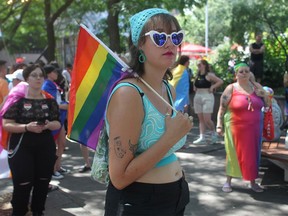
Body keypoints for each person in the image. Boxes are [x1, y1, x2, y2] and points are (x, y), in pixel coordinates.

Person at [104, 8, 193, 216]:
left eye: (175, 36)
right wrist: (170, 137)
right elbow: (119, 177)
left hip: (176, 196)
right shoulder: (129, 93)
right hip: (140, 204)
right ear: (140, 44)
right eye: (160, 37)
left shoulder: (168, 90)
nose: (170, 43)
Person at [1, 64, 61, 215]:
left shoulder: (49, 100)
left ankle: (38, 212)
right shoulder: (17, 100)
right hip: (22, 147)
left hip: (45, 147)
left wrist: (48, 125)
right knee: (23, 184)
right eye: (34, 75)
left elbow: (58, 123)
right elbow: (6, 124)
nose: (38, 78)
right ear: (27, 78)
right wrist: (27, 127)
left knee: (42, 183)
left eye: (41, 75)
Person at [216, 62, 270, 193]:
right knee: (233, 152)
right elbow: (221, 108)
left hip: (254, 128)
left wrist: (263, 94)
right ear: (236, 74)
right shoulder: (231, 88)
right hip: (234, 127)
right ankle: (228, 181)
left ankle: (252, 181)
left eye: (247, 71)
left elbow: (267, 104)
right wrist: (219, 125)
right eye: (241, 71)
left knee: (253, 154)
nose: (244, 73)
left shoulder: (256, 87)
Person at [42, 64, 69, 180]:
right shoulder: (46, 85)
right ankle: (52, 170)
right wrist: (64, 106)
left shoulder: (53, 84)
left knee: (62, 143)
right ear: (49, 73)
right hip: (53, 118)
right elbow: (51, 103)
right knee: (53, 145)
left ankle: (58, 166)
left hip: (60, 117)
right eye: (55, 72)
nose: (57, 74)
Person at [193, 59, 223, 144]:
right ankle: (202, 136)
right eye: (197, 64)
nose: (198, 65)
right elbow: (194, 86)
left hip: (207, 96)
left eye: (200, 64)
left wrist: (212, 87)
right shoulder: (197, 75)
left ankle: (213, 133)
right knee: (201, 119)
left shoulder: (209, 75)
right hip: (197, 96)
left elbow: (220, 81)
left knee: (207, 119)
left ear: (204, 65)